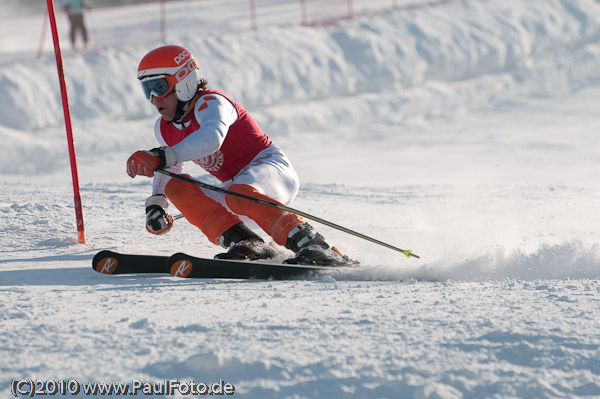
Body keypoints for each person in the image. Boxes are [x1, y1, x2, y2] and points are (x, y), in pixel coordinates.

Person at [126, 45, 348, 266]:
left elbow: (211, 138)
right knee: (175, 186)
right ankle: (248, 243)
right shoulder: (163, 127)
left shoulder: (212, 103)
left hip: (272, 173)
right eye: (147, 90)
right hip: (238, 193)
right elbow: (172, 168)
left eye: (159, 87)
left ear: (184, 82)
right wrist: (156, 203)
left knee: (238, 192)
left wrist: (162, 155)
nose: (154, 98)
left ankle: (314, 245)